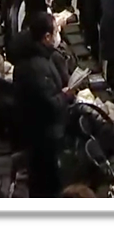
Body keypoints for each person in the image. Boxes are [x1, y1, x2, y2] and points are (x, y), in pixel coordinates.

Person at [12, 11, 77, 197]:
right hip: (44, 137)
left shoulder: (37, 57)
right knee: (46, 184)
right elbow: (48, 104)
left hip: (39, 134)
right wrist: (65, 95)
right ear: (47, 37)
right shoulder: (36, 67)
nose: (58, 35)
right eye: (56, 31)